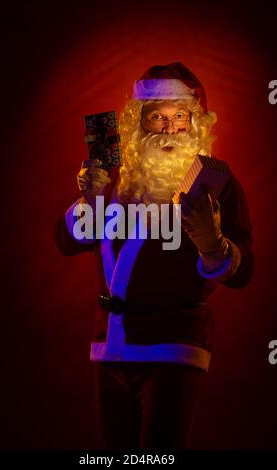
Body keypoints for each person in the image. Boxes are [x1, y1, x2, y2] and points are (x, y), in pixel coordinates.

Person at [54, 62, 254, 449]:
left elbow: (245, 272)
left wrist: (213, 244)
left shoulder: (219, 186)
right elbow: (66, 242)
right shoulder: (111, 178)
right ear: (138, 121)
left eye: (180, 116)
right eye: (157, 116)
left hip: (173, 351)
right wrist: (88, 200)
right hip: (109, 351)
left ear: (196, 122)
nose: (168, 127)